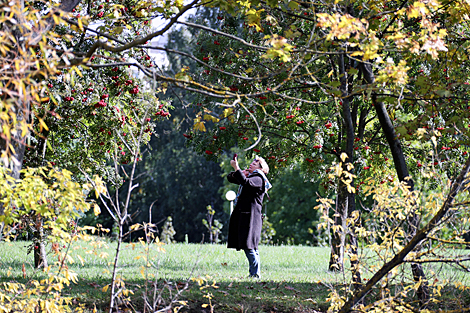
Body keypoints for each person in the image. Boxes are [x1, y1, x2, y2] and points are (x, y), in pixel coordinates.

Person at [227, 155, 271, 278]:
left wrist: (237, 168)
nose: (251, 164)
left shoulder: (259, 178)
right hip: (247, 217)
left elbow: (245, 183)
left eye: (255, 164)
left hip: (251, 218)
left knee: (249, 246)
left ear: (261, 168)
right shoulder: (252, 177)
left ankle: (255, 274)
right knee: (250, 246)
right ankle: (254, 273)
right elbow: (231, 178)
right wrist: (240, 171)